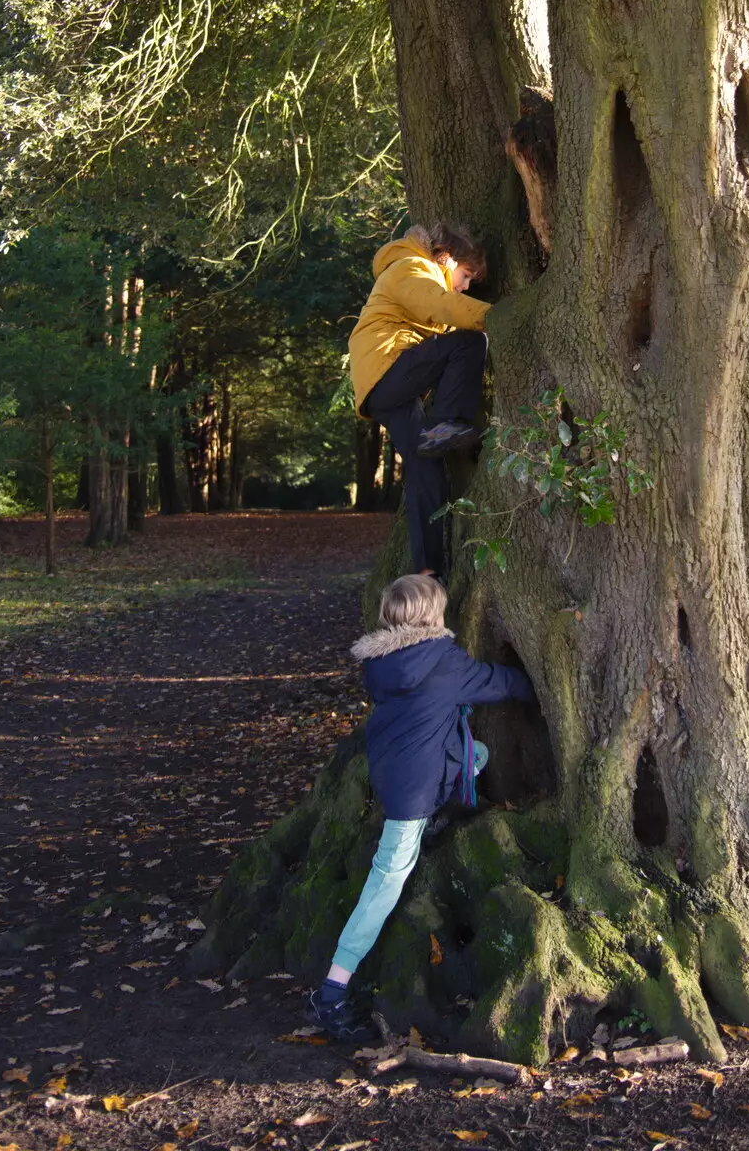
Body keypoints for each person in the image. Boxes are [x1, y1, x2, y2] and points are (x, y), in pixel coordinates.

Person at [309, 574, 535, 1040]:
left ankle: (429, 819)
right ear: (433, 617)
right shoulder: (444, 662)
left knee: (477, 755)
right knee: (385, 883)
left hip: (391, 771)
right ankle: (332, 992)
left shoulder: (380, 663)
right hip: (411, 794)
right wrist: (540, 681)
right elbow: (494, 683)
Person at [349, 222, 490, 577]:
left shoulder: (419, 272)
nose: (466, 285)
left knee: (425, 466)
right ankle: (446, 425)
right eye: (467, 274)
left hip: (386, 390)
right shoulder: (413, 268)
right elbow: (439, 305)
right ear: (446, 258)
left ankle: (427, 570)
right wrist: (496, 317)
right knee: (469, 343)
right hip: (388, 369)